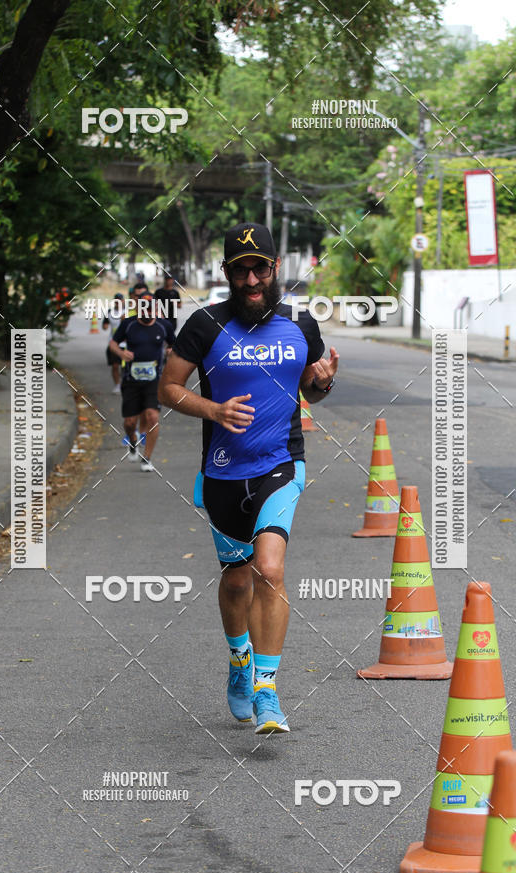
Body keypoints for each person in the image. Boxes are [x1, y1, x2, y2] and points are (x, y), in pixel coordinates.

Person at [159, 222, 338, 733]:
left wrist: (324, 384)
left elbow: (313, 387)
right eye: (241, 270)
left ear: (276, 268)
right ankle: (239, 662)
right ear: (228, 274)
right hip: (222, 472)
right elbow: (168, 389)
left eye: (260, 268)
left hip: (281, 464)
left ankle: (267, 690)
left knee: (270, 570)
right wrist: (213, 410)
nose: (252, 279)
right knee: (236, 578)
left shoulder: (302, 326)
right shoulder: (204, 326)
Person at [110, 291, 174, 472]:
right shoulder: (128, 325)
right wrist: (121, 353)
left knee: (152, 416)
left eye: (151, 308)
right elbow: (113, 344)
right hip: (131, 380)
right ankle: (132, 441)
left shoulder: (164, 326)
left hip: (154, 380)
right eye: (143, 308)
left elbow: (173, 345)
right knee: (130, 422)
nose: (147, 312)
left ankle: (147, 458)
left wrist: (171, 352)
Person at [103, 292, 125, 393]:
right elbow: (105, 325)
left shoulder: (128, 312)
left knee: (125, 366)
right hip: (114, 343)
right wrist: (105, 326)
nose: (118, 303)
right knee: (115, 365)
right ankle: (117, 385)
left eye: (120, 300)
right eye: (116, 301)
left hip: (127, 344)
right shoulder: (109, 312)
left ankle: (125, 384)